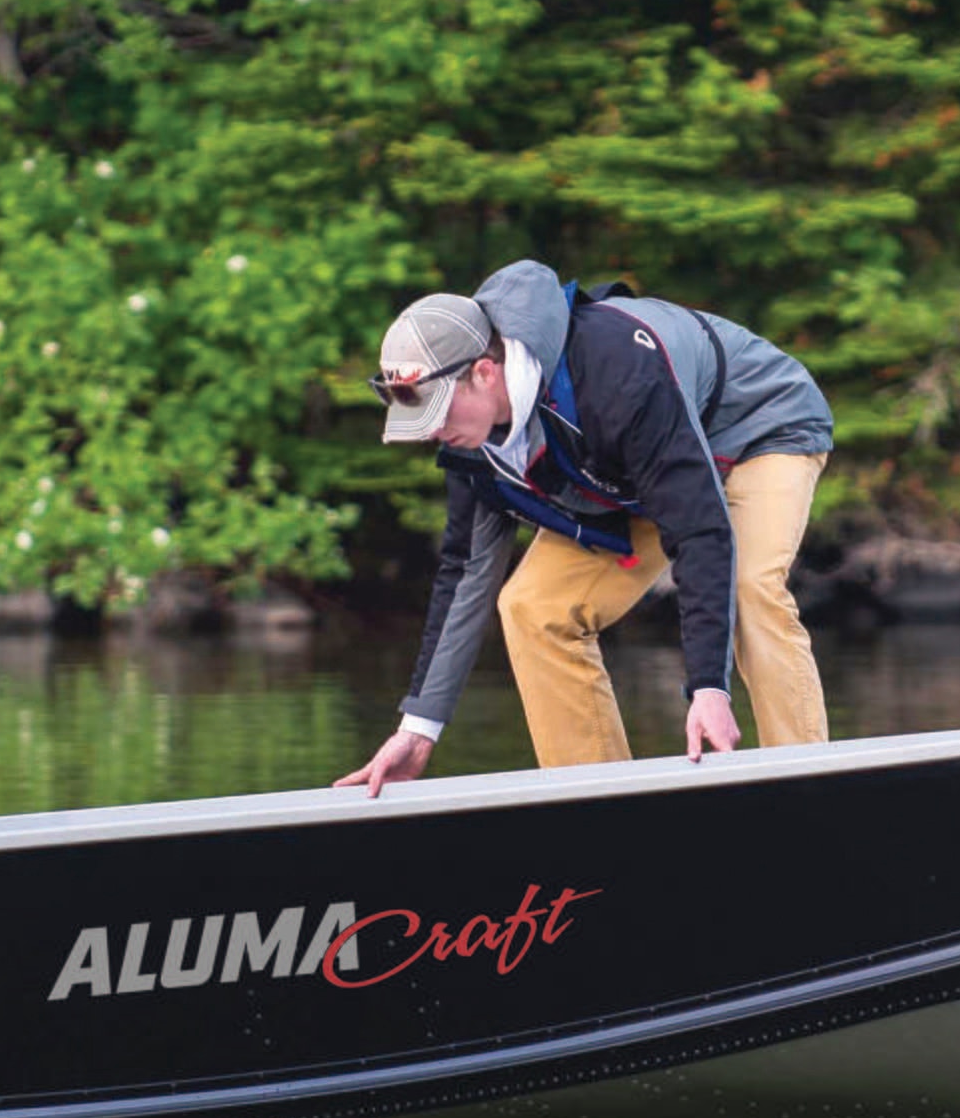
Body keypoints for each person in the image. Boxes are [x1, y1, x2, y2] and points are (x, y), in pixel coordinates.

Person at [337, 260, 834, 793]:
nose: (430, 431)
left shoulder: (615, 370)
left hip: (756, 427)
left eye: (436, 409)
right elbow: (465, 573)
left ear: (484, 371)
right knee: (532, 608)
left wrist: (708, 689)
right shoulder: (471, 442)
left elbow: (699, 530)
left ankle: (805, 783)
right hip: (643, 475)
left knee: (749, 586)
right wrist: (418, 727)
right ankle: (598, 801)